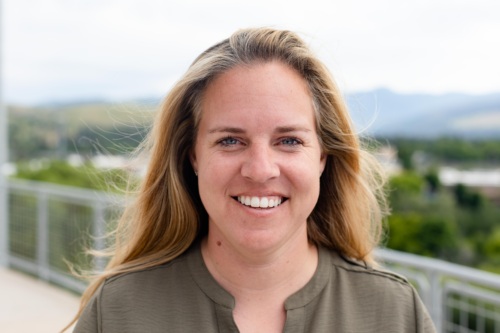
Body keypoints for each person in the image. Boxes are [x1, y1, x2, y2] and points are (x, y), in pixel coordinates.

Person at [68, 27, 436, 332]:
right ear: (193, 155)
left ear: (322, 157)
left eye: (289, 141)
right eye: (230, 140)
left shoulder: (395, 314)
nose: (260, 170)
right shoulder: (119, 312)